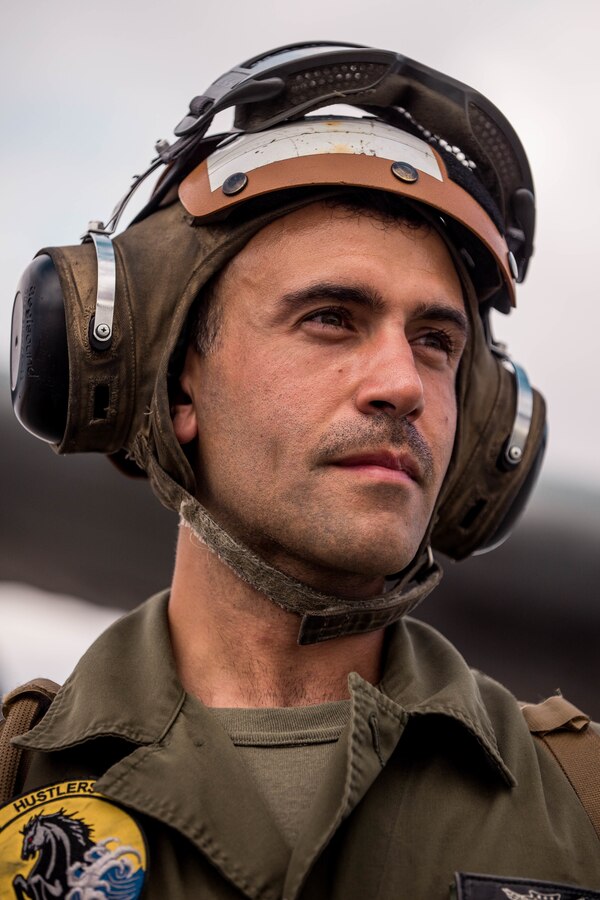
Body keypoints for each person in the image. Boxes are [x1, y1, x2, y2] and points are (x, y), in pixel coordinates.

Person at [2, 43, 599, 898]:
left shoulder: (583, 806)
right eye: (330, 318)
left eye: (435, 342)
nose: (403, 385)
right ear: (177, 383)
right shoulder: (13, 783)